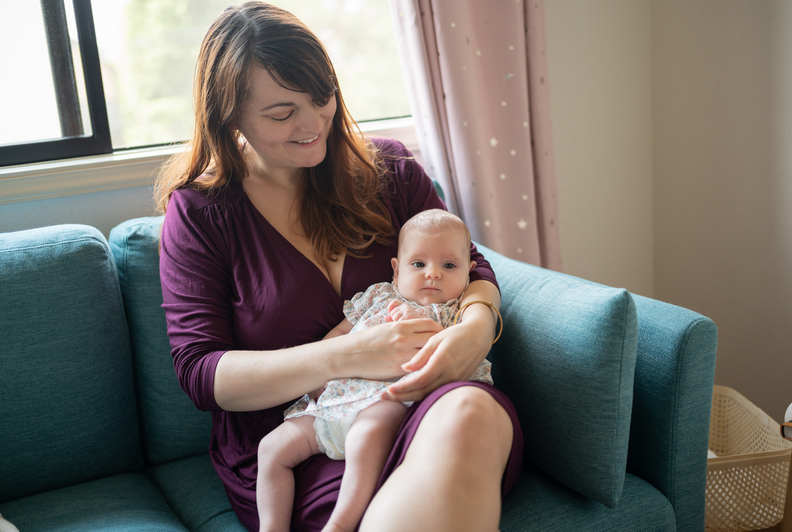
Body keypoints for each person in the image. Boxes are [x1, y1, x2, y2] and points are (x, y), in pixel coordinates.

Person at [154, 2, 523, 531]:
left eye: (321, 97)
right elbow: (201, 372)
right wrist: (345, 354)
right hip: (311, 434)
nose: (312, 124)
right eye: (282, 113)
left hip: (432, 400)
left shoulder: (389, 170)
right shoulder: (202, 214)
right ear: (229, 115)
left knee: (471, 413)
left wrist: (477, 329)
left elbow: (471, 262)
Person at [256, 209, 497, 532]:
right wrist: (318, 377)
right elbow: (338, 336)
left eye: (449, 266)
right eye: (418, 264)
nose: (432, 274)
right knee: (271, 448)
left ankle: (341, 522)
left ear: (469, 274)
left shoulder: (455, 315)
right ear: (396, 270)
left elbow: (451, 364)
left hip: (387, 405)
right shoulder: (377, 296)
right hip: (332, 404)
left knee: (366, 434)